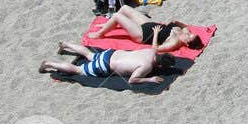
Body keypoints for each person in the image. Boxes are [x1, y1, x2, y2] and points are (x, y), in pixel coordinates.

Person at [87, 5, 203, 54]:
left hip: (142, 34)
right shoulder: (185, 32)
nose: (188, 34)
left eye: (189, 36)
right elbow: (186, 27)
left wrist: (156, 34)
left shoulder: (174, 43)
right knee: (124, 9)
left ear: (187, 43)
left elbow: (155, 49)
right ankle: (108, 25)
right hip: (148, 24)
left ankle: (100, 34)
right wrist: (177, 23)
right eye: (191, 34)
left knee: (117, 16)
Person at [41, 43, 170, 85]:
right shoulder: (146, 65)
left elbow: (154, 46)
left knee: (89, 55)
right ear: (159, 66)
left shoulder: (151, 51)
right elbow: (132, 80)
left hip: (110, 54)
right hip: (106, 65)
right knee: (78, 70)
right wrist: (150, 79)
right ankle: (49, 64)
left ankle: (66, 44)